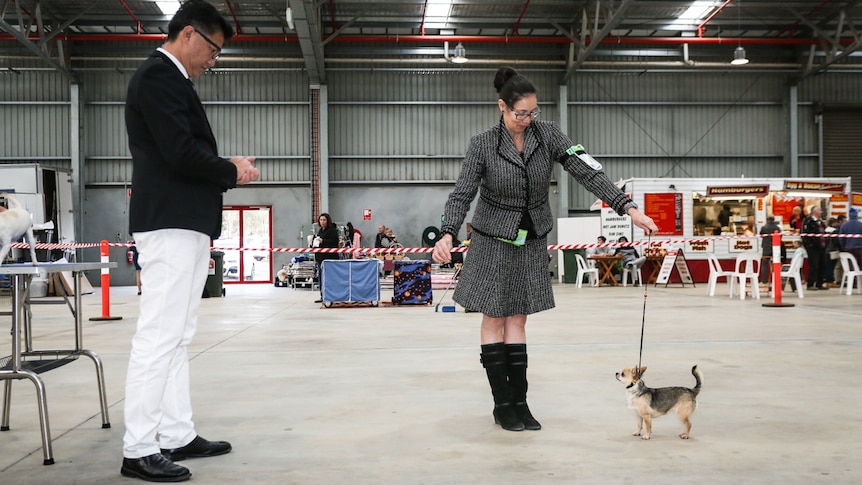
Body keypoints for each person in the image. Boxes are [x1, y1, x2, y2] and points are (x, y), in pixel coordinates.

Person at [431, 66, 657, 433]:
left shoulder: (548, 134)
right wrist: (446, 232)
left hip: (531, 238)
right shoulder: (482, 144)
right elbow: (462, 193)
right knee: (494, 317)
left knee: (518, 319)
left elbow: (588, 172)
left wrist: (628, 207)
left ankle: (521, 401)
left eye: (533, 112)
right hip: (491, 240)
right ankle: (502, 404)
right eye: (521, 113)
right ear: (502, 107)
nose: (527, 119)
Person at [122, 1, 260, 482]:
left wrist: (225, 165)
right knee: (158, 335)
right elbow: (180, 154)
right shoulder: (159, 77)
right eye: (214, 50)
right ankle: (138, 447)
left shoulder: (171, 80)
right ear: (189, 35)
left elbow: (184, 150)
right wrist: (231, 171)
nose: (213, 61)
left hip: (185, 221)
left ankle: (176, 433)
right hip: (170, 221)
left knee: (177, 335)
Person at [313, 212, 340, 303]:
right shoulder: (320, 231)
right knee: (321, 278)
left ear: (328, 221)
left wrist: (323, 241)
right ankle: (322, 295)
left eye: (324, 220)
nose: (322, 222)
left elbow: (334, 242)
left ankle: (330, 296)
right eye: (321, 220)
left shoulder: (332, 230)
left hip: (329, 259)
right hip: (320, 259)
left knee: (329, 278)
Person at [801, 205, 828, 290]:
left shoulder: (820, 222)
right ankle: (810, 284)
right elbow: (804, 234)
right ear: (814, 211)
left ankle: (819, 283)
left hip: (822, 247)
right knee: (814, 265)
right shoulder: (808, 221)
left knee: (822, 265)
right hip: (813, 248)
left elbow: (824, 232)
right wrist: (809, 244)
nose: (821, 212)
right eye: (820, 210)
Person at [759, 215, 786, 283]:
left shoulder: (764, 227)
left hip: (766, 248)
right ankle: (775, 279)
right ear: (774, 220)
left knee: (765, 264)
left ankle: (764, 280)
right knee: (776, 264)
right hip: (775, 248)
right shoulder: (777, 227)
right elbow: (780, 236)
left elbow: (761, 235)